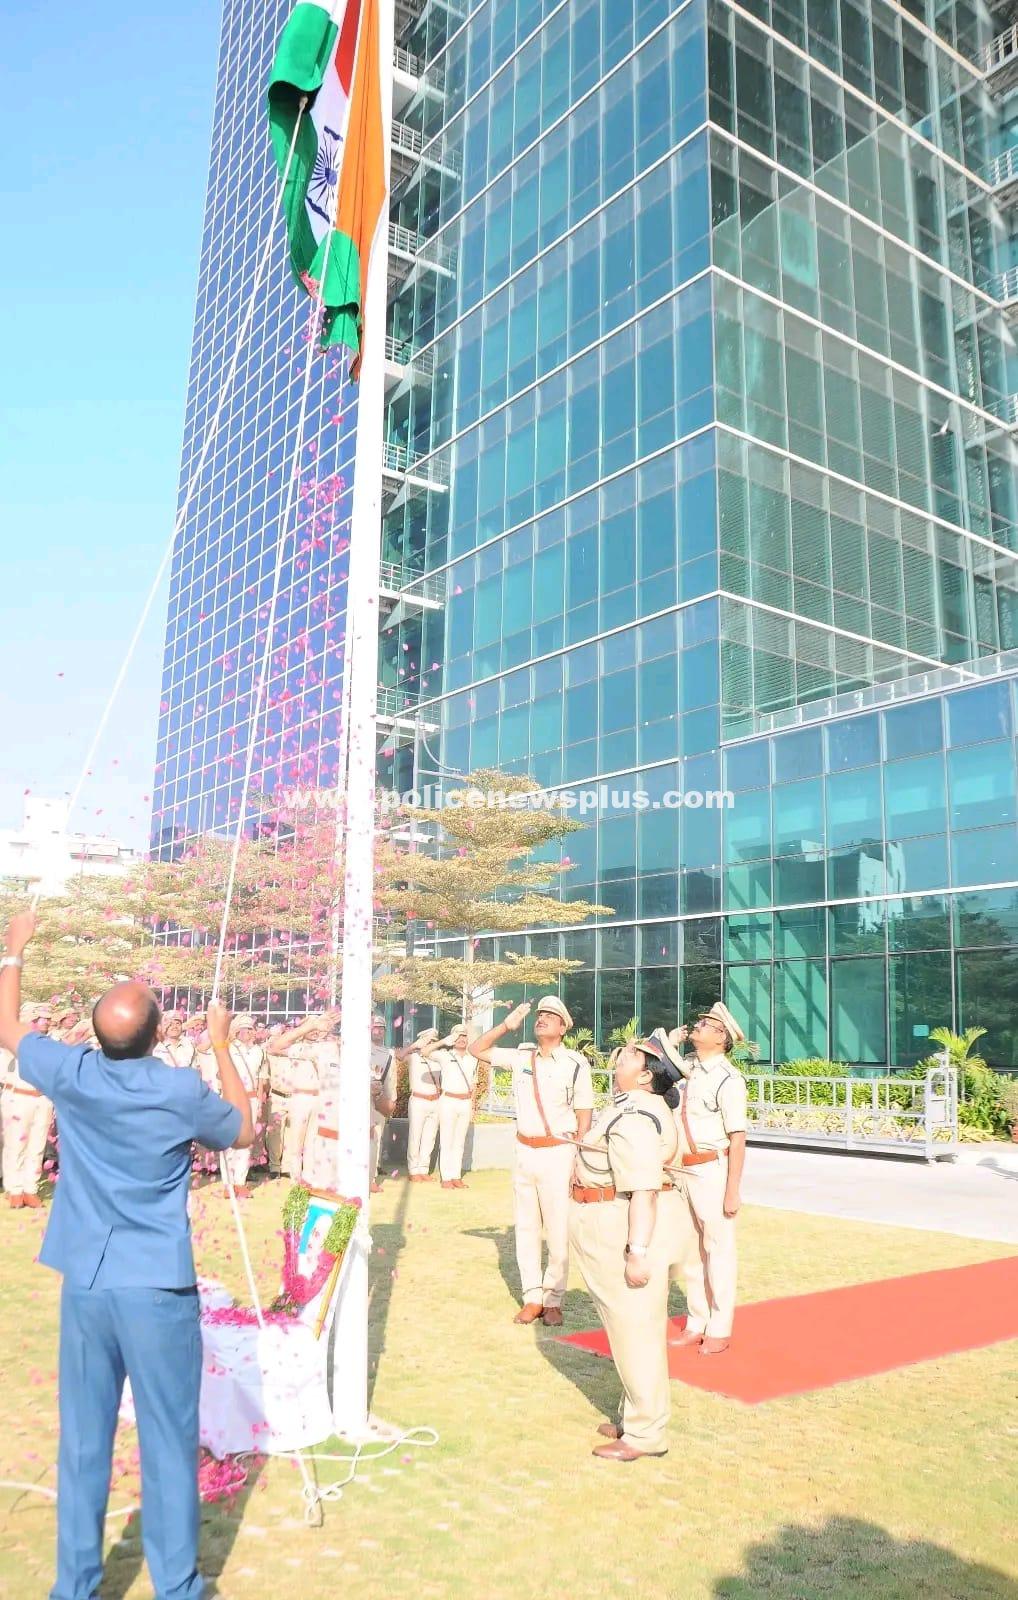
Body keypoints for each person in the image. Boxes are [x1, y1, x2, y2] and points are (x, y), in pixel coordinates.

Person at [0, 907, 255, 1600]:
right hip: (155, 1290)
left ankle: (74, 1588)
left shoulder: (73, 1072)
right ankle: (176, 1586)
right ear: (156, 1034)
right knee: (168, 1443)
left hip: (87, 1285)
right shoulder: (176, 1089)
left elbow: (7, 1027)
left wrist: (14, 951)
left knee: (83, 1443)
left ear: (94, 1034)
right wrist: (222, 1044)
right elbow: (242, 1130)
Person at [568, 1036, 684, 1461]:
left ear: (646, 1075)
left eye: (632, 1055)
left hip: (623, 1226)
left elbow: (645, 1191)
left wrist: (637, 1252)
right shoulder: (628, 1107)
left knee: (636, 1331)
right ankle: (634, 1415)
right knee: (626, 1329)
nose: (621, 1056)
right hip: (606, 1218)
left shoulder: (637, 1116)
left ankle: (645, 1434)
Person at [470, 997, 593, 1328]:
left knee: (557, 1230)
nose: (542, 1020)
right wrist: (506, 1026)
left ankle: (554, 1299)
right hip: (525, 1151)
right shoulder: (522, 1057)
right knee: (526, 1228)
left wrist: (580, 1157)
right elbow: (477, 1049)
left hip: (559, 1152)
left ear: (564, 1027)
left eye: (551, 1016)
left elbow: (584, 1113)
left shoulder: (576, 1062)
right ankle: (532, 1298)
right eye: (540, 1015)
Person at [666, 1002, 748, 1356]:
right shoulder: (690, 1070)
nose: (697, 1026)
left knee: (718, 1249)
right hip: (682, 1169)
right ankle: (696, 1321)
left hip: (710, 1169)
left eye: (706, 1024)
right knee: (691, 1252)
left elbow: (738, 1137)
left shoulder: (728, 1079)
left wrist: (732, 1190)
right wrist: (669, 1043)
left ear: (721, 1038)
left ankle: (720, 1326)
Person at [1, 1002, 55, 1208]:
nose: (47, 1021)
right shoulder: (15, 1041)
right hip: (18, 1096)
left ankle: (30, 1189)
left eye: (49, 1018)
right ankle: (14, 1189)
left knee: (37, 1145)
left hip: (42, 1098)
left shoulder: (51, 1042)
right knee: (16, 1144)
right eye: (42, 1018)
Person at [220, 1013, 267, 1198]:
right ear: (236, 1031)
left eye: (250, 1028)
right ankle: (228, 1183)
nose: (247, 1032)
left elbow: (262, 1076)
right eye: (243, 1028)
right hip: (232, 1097)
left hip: (252, 1098)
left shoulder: (259, 1051)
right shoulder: (229, 1049)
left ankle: (240, 1182)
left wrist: (261, 1099)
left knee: (246, 1141)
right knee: (230, 1140)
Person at [436, 1024, 479, 1190]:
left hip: (465, 1102)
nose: (461, 1039)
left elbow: (474, 1083)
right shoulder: (444, 1056)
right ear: (452, 1038)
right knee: (447, 1140)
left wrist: (473, 1105)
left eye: (464, 1036)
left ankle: (456, 1176)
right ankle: (446, 1177)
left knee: (460, 1142)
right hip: (448, 1100)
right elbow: (425, 1052)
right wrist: (443, 1042)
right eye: (457, 1036)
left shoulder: (472, 1058)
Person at [404, 1027, 441, 1182]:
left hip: (436, 1100)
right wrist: (414, 1045)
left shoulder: (439, 1059)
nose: (431, 1044)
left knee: (430, 1137)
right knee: (415, 1135)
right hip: (418, 1100)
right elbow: (399, 1056)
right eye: (428, 1041)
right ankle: (413, 1170)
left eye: (434, 1041)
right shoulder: (414, 1057)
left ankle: (423, 1169)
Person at [369, 1013, 396, 1194]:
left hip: (378, 1100)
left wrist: (390, 1102)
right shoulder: (360, 1048)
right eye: (374, 1027)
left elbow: (390, 1081)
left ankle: (371, 1177)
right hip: (360, 1100)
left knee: (376, 1140)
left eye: (381, 1028)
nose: (377, 1031)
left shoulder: (389, 1054)